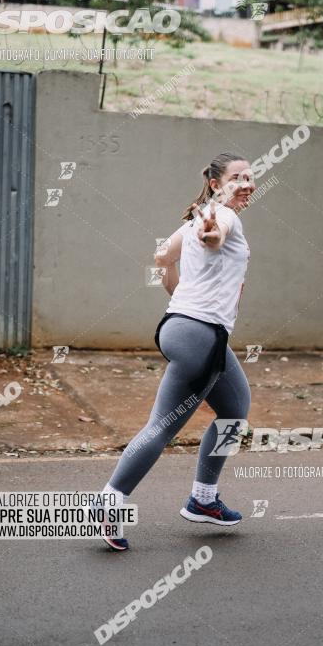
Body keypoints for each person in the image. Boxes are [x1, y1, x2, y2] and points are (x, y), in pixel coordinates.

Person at [98, 153, 256, 551]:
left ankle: (203, 499)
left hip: (187, 330)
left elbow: (161, 257)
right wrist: (210, 238)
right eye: (238, 177)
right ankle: (108, 503)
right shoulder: (222, 217)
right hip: (198, 336)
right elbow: (214, 235)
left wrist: (179, 286)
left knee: (235, 411)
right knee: (162, 427)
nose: (248, 183)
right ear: (218, 184)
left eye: (252, 177)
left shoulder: (196, 217)